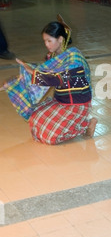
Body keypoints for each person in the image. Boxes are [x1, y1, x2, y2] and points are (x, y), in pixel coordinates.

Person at [0, 15, 97, 145]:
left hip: (76, 105)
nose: (47, 44)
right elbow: (42, 73)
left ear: (60, 39)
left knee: (49, 137)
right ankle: (75, 124)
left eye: (49, 41)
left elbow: (56, 79)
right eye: (45, 41)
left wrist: (32, 72)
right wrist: (12, 83)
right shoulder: (52, 57)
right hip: (61, 101)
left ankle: (85, 125)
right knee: (34, 119)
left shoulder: (74, 59)